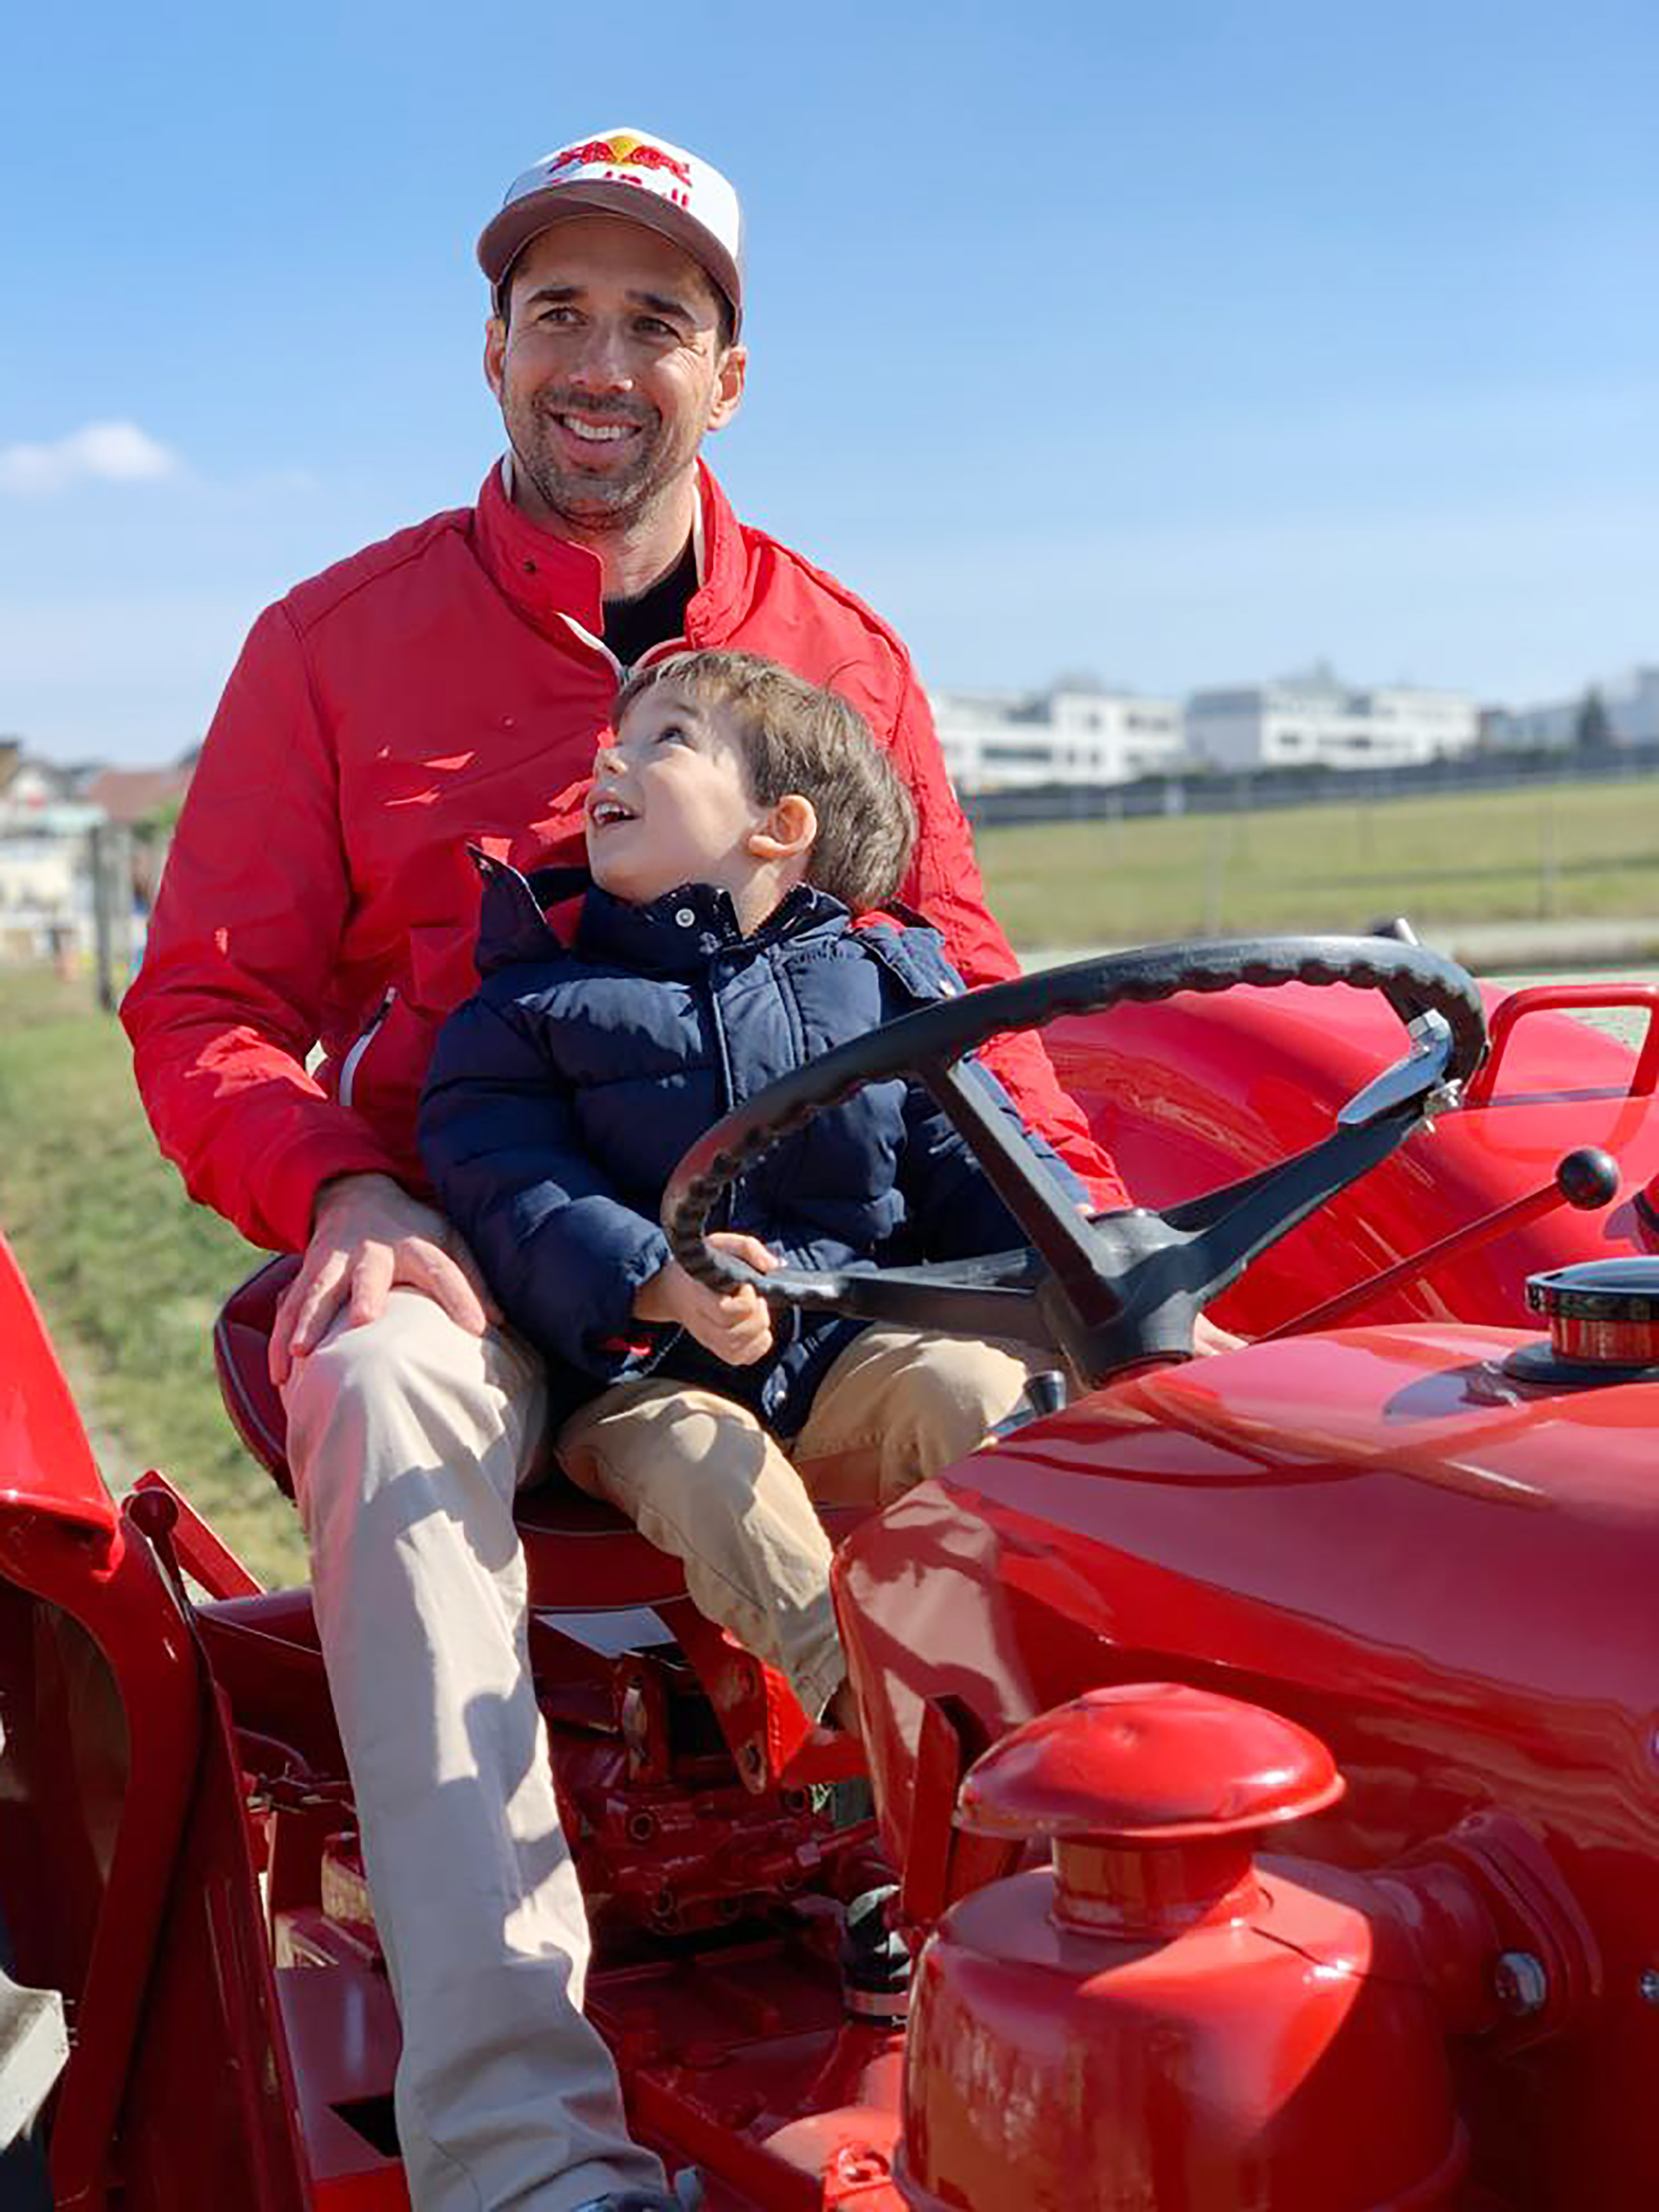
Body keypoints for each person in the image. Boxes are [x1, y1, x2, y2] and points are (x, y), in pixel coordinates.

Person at [121, 128, 1127, 2212]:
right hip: (472, 1251)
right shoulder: (333, 645)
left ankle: (1026, 1958)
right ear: (491, 352)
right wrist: (348, 1190)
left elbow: (965, 997)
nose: (601, 357)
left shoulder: (837, 652)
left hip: (797, 1263)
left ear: (723, 376)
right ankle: (520, 2148)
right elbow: (202, 1006)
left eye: (652, 319)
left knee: (1021, 1393)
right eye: (556, 313)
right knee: (391, 1391)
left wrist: (1077, 1234)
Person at [420, 651, 1079, 1735]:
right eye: (618, 738)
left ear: (778, 828)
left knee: (970, 1386)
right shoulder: (530, 1008)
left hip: (847, 1351)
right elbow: (509, 1187)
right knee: (710, 1467)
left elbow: (973, 1161)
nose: (611, 757)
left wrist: (1091, 1264)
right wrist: (656, 1281)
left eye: (666, 738)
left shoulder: (883, 985)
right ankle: (887, 1717)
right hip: (642, 1380)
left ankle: (1055, 1664)